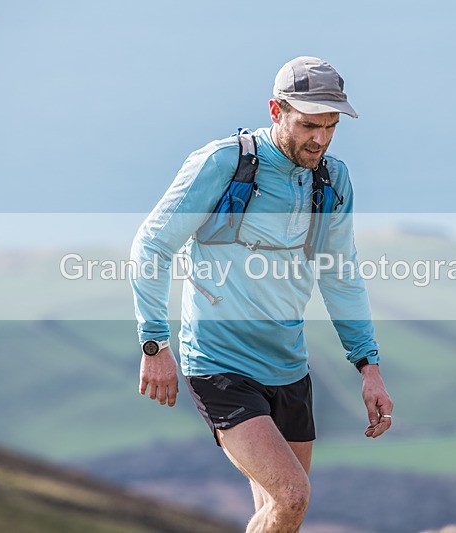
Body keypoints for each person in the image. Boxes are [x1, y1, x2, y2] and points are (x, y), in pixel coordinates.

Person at [130, 56, 394, 532]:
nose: (321, 139)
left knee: (280, 513)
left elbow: (341, 275)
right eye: (309, 125)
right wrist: (154, 344)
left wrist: (368, 366)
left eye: (331, 126)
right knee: (292, 496)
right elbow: (152, 245)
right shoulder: (223, 163)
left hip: (289, 367)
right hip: (219, 363)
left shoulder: (332, 181)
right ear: (276, 110)